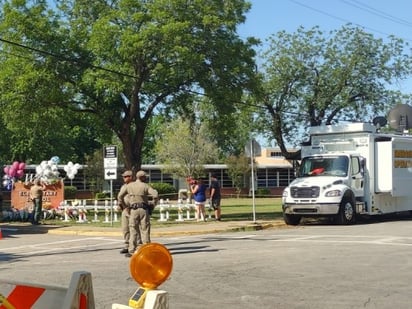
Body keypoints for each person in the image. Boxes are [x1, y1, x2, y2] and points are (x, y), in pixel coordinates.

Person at [118, 170, 158, 257]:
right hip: (144, 209)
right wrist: (153, 205)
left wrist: (125, 207)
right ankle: (147, 250)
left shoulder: (129, 186)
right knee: (145, 230)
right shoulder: (145, 186)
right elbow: (155, 195)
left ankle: (132, 250)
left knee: (133, 229)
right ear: (143, 177)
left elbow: (120, 196)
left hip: (133, 210)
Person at [117, 170, 133, 254]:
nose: (124, 178)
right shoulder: (123, 186)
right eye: (123, 176)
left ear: (130, 177)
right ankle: (127, 245)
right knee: (125, 228)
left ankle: (134, 246)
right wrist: (121, 206)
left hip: (132, 210)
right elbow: (120, 197)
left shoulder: (134, 186)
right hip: (124, 209)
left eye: (126, 176)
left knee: (134, 229)